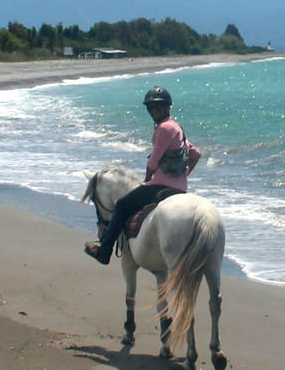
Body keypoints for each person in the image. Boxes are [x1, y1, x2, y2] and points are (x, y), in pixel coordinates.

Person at [85, 85, 205, 264]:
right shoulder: (178, 129)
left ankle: (105, 251)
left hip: (160, 186)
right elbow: (195, 154)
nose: (154, 111)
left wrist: (147, 181)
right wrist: (183, 176)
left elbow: (153, 162)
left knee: (122, 205)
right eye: (151, 108)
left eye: (158, 107)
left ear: (167, 108)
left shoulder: (163, 128)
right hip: (180, 188)